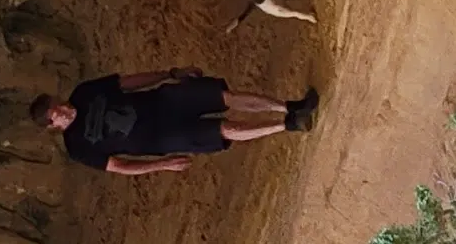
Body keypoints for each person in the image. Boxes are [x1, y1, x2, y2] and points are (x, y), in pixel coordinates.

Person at [37, 70, 314, 175]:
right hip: (161, 138)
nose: (62, 108)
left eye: (56, 103)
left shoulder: (83, 92)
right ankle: (287, 124)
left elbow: (126, 83)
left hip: (163, 101)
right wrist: (163, 164)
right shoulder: (77, 146)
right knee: (223, 130)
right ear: (53, 125)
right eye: (56, 113)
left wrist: (167, 73)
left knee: (224, 97)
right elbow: (118, 165)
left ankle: (289, 106)